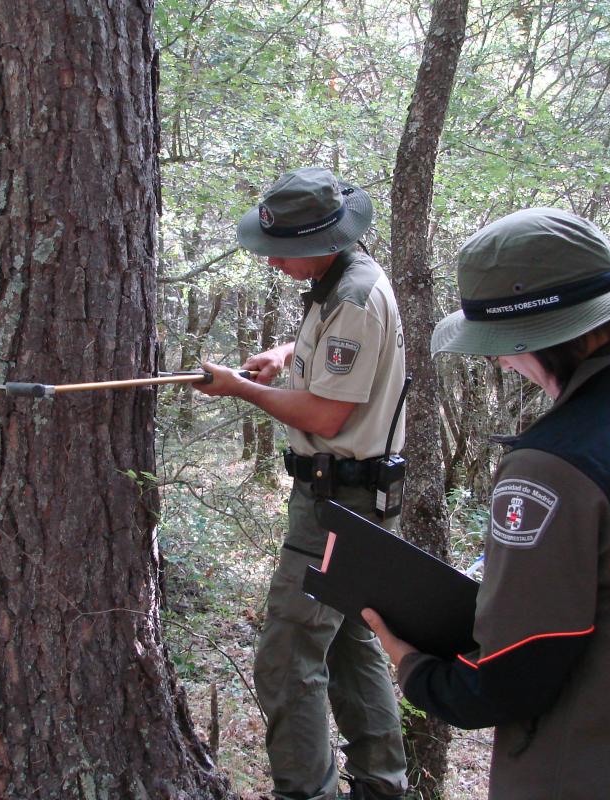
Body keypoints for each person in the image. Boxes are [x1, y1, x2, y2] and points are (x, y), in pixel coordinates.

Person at [362, 207, 610, 799]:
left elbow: (506, 680)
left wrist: (413, 666)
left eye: (501, 343)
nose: (497, 359)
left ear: (547, 334)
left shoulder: (551, 468)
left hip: (599, 772)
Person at [194, 167, 409, 800]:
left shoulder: (353, 295)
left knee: (287, 661)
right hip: (348, 497)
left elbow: (324, 415)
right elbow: (342, 355)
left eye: (283, 253)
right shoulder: (339, 282)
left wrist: (242, 388)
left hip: (340, 506)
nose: (275, 264)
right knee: (348, 646)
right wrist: (287, 353)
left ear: (324, 239)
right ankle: (381, 786)